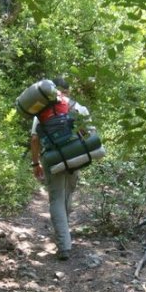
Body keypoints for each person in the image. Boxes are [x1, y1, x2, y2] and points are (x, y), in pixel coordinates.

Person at [30, 77, 92, 260]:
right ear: (68, 91)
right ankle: (63, 232)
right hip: (75, 157)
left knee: (56, 198)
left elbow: (35, 139)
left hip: (52, 158)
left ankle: (64, 244)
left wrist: (35, 163)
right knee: (67, 195)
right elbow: (88, 132)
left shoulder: (41, 110)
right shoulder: (78, 108)